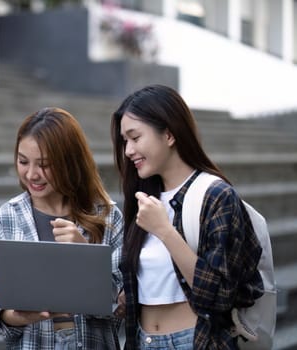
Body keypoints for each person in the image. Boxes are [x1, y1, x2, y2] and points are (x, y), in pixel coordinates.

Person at [110, 84, 263, 349]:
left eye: (135, 138)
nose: (128, 151)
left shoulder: (216, 196)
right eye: (125, 141)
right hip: (143, 340)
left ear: (168, 134)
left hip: (194, 340)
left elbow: (219, 296)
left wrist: (165, 231)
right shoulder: (143, 198)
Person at [0, 107, 124, 349]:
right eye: (23, 161)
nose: (32, 174)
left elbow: (120, 305)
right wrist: (18, 316)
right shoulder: (6, 218)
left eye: (45, 164)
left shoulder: (106, 216)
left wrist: (85, 254)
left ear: (70, 162)